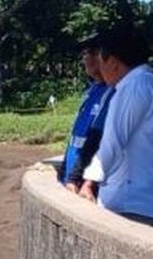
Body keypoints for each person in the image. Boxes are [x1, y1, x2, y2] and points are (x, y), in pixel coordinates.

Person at [78, 24, 153, 233]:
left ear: (114, 62)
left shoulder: (131, 89)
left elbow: (111, 144)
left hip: (135, 207)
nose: (99, 68)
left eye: (101, 60)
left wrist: (88, 183)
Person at [61, 37, 113, 193]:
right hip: (73, 177)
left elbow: (97, 140)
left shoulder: (113, 93)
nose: (85, 58)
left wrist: (76, 178)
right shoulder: (91, 92)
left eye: (89, 53)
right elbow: (75, 138)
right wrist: (65, 171)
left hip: (88, 184)